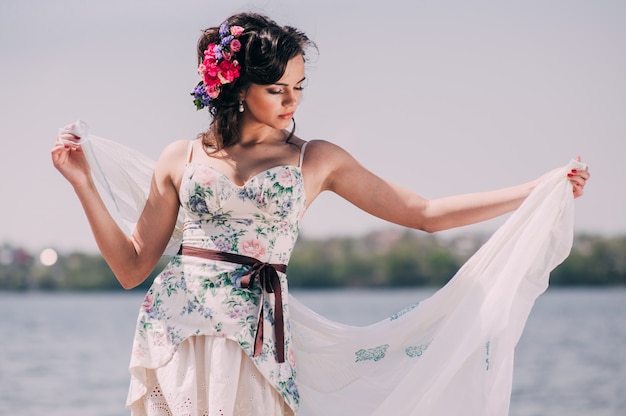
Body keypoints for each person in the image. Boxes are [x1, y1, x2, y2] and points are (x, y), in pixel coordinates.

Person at [51, 12, 589, 416]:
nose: (292, 101)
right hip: (174, 331)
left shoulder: (317, 158)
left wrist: (536, 188)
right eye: (276, 89)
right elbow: (130, 266)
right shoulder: (181, 156)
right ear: (236, 87)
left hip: (258, 338)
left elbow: (424, 213)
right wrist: (82, 184)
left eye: (299, 87)